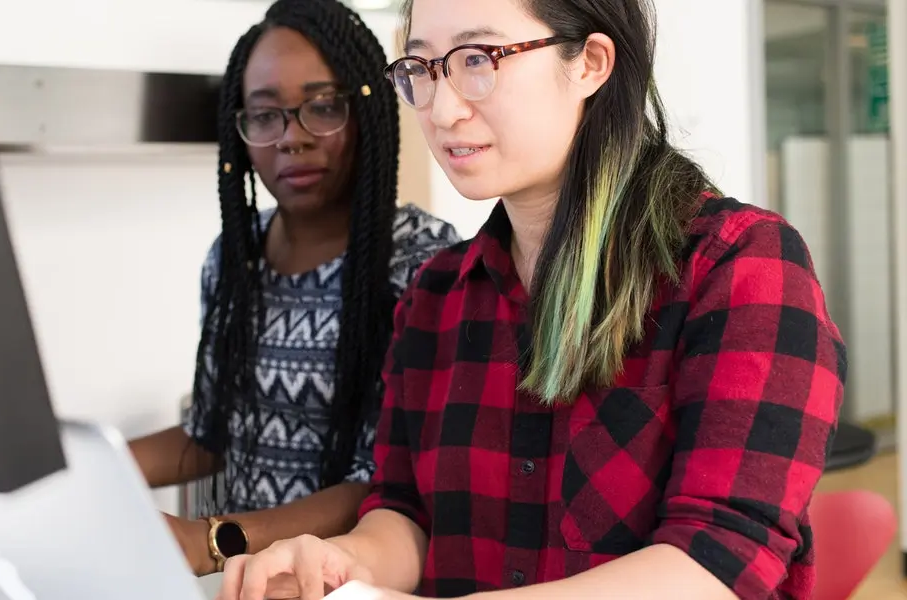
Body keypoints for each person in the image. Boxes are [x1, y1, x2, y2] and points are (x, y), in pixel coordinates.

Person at [215, 0, 845, 599]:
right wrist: (344, 563)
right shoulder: (435, 296)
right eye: (422, 69)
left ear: (590, 63)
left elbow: (719, 564)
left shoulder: (740, 267)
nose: (442, 110)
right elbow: (405, 513)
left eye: (477, 60)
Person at [127, 0, 462, 579]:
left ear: (367, 111)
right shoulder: (235, 257)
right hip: (238, 581)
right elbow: (210, 432)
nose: (292, 138)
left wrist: (211, 539)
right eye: (265, 116)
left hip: (342, 581)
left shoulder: (422, 261)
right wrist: (85, 469)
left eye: (323, 107)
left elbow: (385, 481)